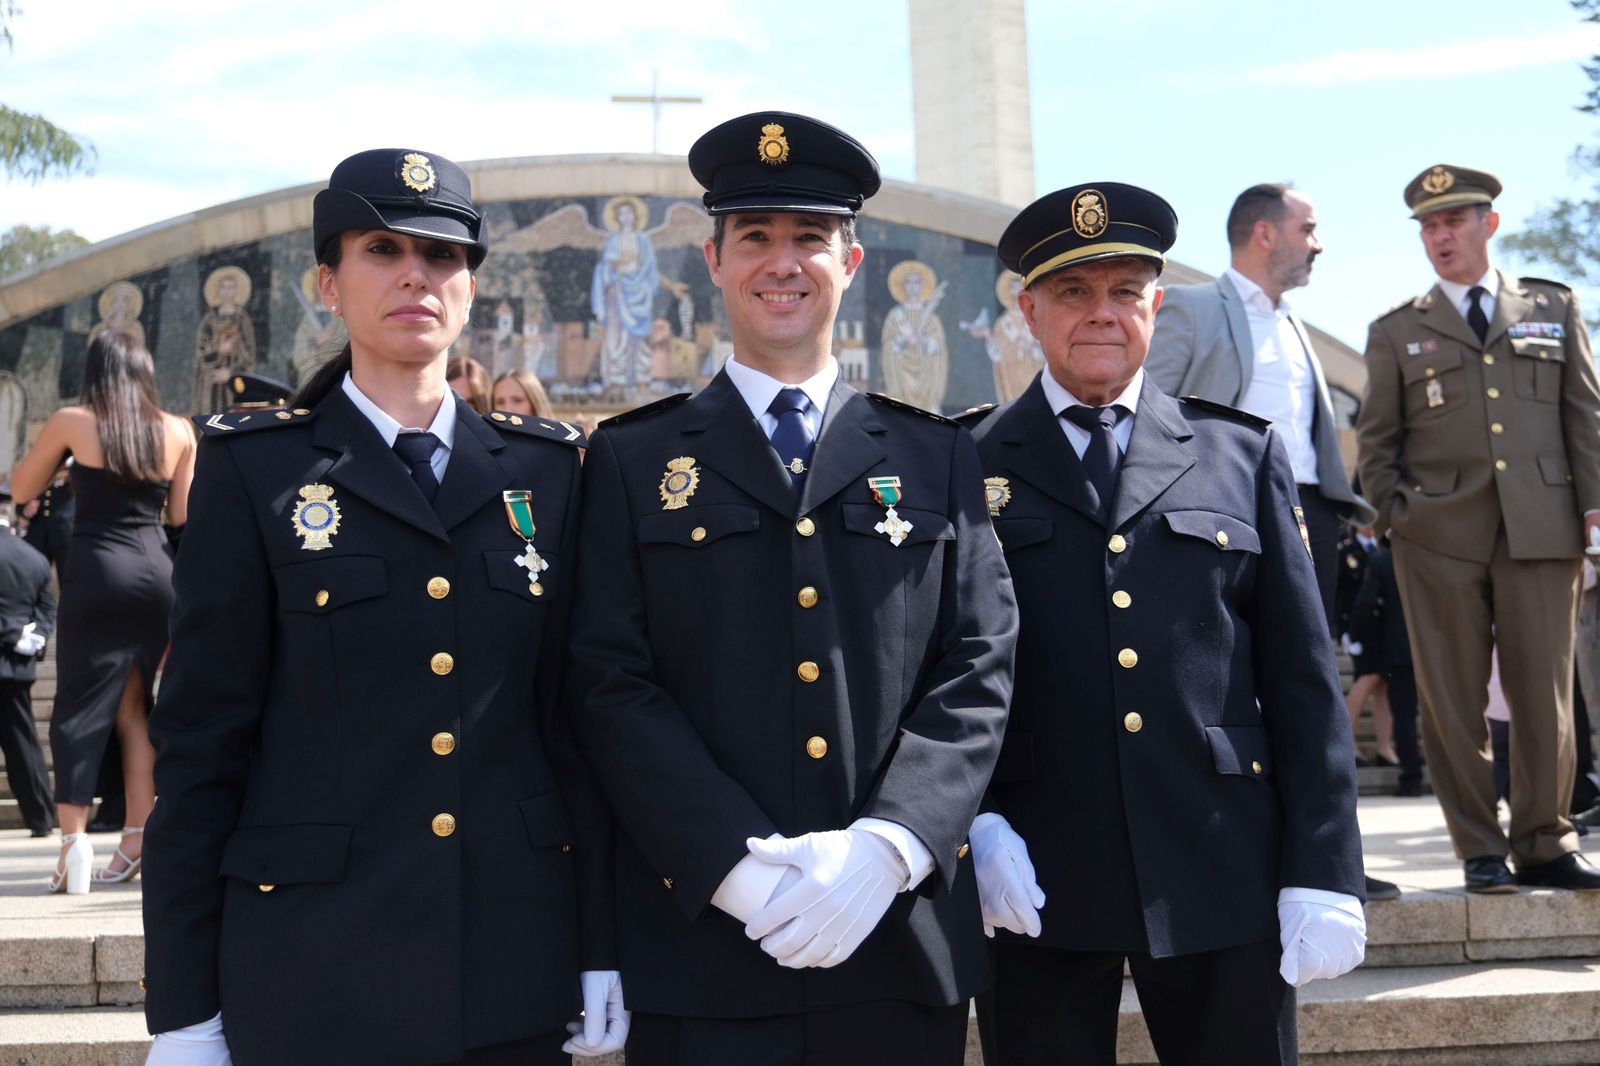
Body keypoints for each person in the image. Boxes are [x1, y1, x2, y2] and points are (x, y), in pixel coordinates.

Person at [140, 148, 624, 1066]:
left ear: (471, 287)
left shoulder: (546, 473)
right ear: (330, 283)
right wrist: (183, 1007)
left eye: (442, 255)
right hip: (315, 966)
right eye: (383, 249)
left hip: (513, 967)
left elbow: (578, 732)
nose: (416, 274)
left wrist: (601, 948)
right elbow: (202, 744)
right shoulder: (256, 469)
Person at [567, 111, 1017, 1066]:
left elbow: (978, 661)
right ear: (712, 260)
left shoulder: (936, 454)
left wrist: (892, 845)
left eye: (810, 237)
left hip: (895, 942)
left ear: (851, 261)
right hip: (706, 944)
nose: (784, 262)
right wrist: (731, 866)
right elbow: (608, 680)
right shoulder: (630, 459)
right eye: (756, 237)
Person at [960, 182, 1366, 1065]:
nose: (1101, 314)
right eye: (1073, 292)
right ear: (1029, 309)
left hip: (1221, 860)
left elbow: (1301, 679)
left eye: (1124, 291)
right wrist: (974, 826)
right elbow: (937, 675)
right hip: (1034, 868)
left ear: (1156, 304)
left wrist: (1324, 867)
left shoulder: (1239, 452)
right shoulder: (965, 461)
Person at [1356, 164, 1600, 893]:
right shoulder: (1397, 329)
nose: (1440, 236)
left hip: (1542, 528)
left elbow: (1584, 418)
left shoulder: (1551, 308)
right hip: (1437, 538)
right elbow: (1377, 442)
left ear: (1487, 224)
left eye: (1453, 221)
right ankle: (1479, 847)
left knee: (1546, 695)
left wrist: (1593, 512)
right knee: (1452, 701)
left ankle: (1544, 841)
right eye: (1428, 226)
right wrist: (1399, 519)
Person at [12, 331, 195, 894]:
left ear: (95, 370)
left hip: (97, 569)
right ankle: (138, 836)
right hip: (157, 572)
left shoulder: (73, 420)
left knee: (77, 706)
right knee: (134, 710)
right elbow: (182, 514)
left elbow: (21, 487)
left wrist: (69, 468)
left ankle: (73, 846)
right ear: (145, 371)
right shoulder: (179, 428)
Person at [1146, 183, 1373, 631]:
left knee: (1308, 661)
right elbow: (1148, 412)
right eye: (1307, 230)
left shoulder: (1293, 322)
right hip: (1227, 508)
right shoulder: (1191, 306)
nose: (1318, 244)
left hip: (1311, 515)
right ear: (1265, 233)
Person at [1347, 536, 1422, 797]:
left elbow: (1366, 600)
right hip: (1428, 647)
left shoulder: (1383, 560)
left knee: (1404, 715)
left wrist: (1352, 632)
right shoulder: (1424, 559)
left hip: (1399, 649)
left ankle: (1411, 777)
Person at [0, 489, 56, 838]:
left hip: (10, 650)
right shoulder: (33, 557)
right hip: (17, 666)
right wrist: (32, 639)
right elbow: (47, 609)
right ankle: (41, 818)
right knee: (24, 747)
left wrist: (9, 633)